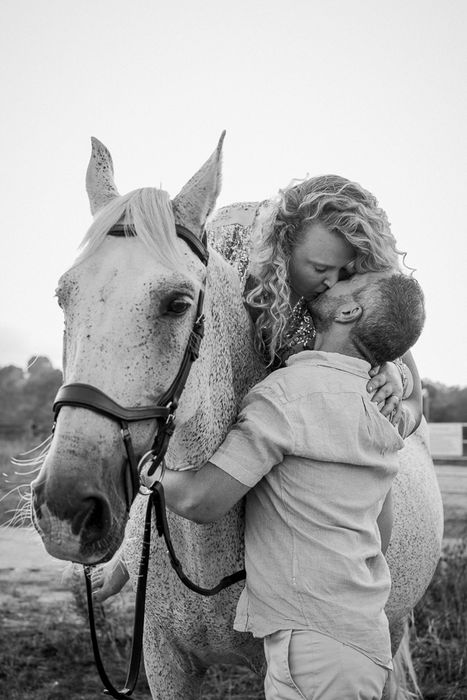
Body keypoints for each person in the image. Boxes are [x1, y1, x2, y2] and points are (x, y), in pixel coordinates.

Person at [134, 270, 425, 700]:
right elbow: (380, 536)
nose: (330, 283)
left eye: (345, 283)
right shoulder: (383, 411)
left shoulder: (286, 395)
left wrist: (145, 471)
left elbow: (200, 499)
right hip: (363, 640)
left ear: (349, 311)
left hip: (313, 649)